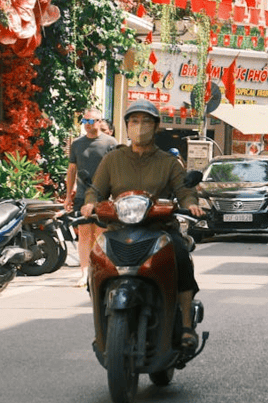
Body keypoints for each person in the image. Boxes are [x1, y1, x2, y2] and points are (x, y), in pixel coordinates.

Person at [80, 99, 206, 353]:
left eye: (146, 121)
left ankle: (184, 326)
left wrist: (191, 204)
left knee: (180, 257)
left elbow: (184, 190)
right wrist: (90, 203)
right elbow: (96, 189)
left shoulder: (168, 162)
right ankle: (103, 329)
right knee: (97, 264)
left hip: (159, 228)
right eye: (134, 121)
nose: (140, 126)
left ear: (156, 126)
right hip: (119, 229)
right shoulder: (113, 159)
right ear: (126, 126)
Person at [64, 107, 117, 287]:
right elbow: (72, 171)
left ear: (99, 122)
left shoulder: (111, 142)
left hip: (104, 195)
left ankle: (99, 269)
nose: (87, 125)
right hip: (82, 195)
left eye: (90, 121)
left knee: (101, 234)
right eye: (84, 121)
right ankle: (85, 272)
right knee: (85, 234)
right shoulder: (77, 144)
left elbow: (117, 170)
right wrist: (68, 196)